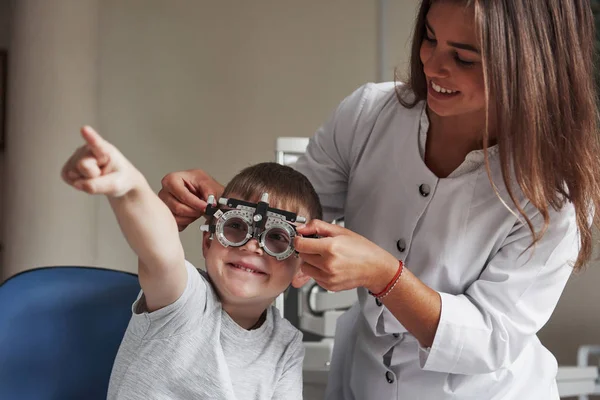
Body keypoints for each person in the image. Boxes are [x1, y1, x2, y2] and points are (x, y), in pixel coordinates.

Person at [158, 0, 600, 399]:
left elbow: (492, 338)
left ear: (527, 66)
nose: (432, 64)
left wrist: (384, 276)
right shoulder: (370, 115)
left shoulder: (554, 193)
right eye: (429, 37)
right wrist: (221, 203)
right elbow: (294, 215)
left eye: (463, 57)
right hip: (362, 380)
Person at [61, 126, 323, 400]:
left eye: (277, 237)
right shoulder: (185, 299)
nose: (251, 245)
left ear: (304, 269)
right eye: (236, 226)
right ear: (208, 241)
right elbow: (160, 248)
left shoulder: (286, 343)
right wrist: (130, 188)